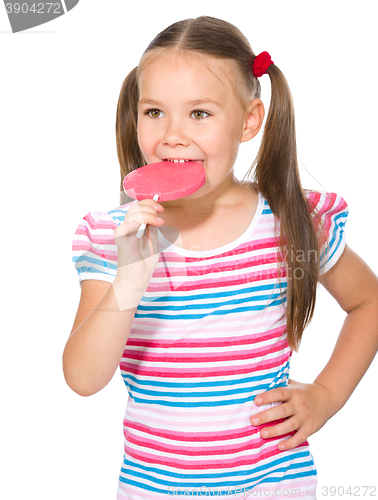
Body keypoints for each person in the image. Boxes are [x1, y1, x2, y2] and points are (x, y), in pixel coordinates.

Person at [63, 16, 378, 500]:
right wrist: (130, 279)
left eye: (200, 114)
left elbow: (368, 302)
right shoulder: (115, 235)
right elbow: (83, 379)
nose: (172, 134)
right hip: (155, 489)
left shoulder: (291, 221)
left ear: (249, 120)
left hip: (274, 484)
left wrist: (327, 396)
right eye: (154, 112)